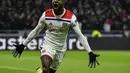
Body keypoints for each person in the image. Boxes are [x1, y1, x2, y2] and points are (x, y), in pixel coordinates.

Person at [12, 0, 100, 73]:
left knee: (49, 72)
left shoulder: (71, 17)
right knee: (46, 69)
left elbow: (80, 36)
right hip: (48, 44)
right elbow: (36, 31)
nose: (55, 2)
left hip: (61, 49)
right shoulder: (46, 15)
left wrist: (90, 52)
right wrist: (23, 44)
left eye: (57, 1)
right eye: (54, 1)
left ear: (63, 2)